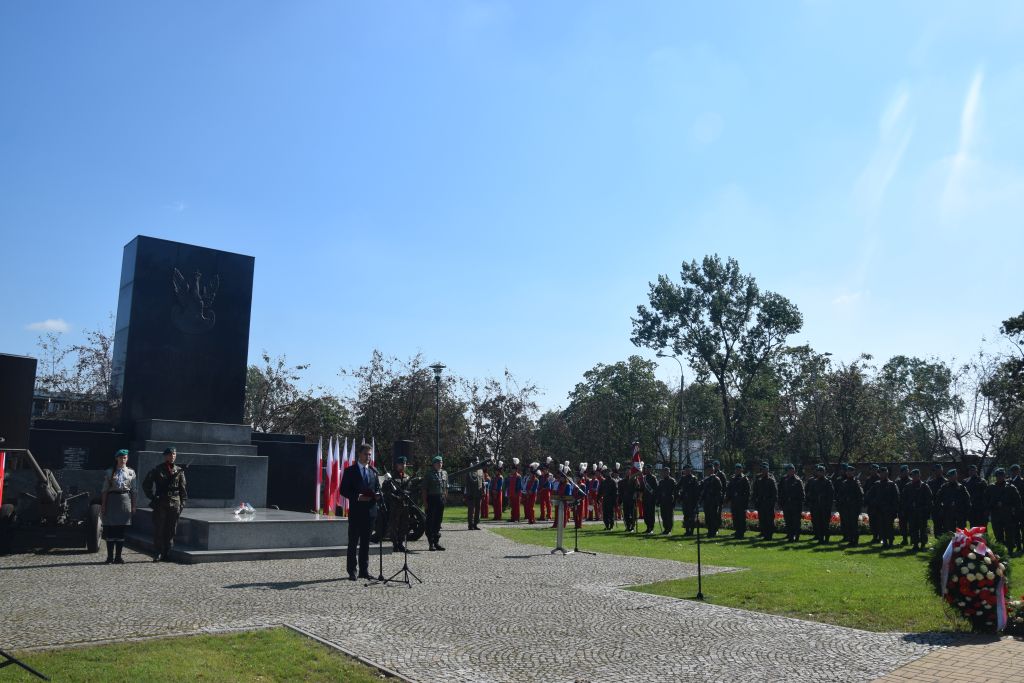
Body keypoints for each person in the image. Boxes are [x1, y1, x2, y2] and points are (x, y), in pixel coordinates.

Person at [340, 443, 381, 580]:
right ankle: (352, 571)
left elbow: (377, 489)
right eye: (366, 454)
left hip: (370, 512)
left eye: (370, 454)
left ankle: (364, 570)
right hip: (356, 512)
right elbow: (343, 490)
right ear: (359, 454)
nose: (368, 457)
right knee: (353, 542)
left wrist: (377, 495)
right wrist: (357, 497)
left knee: (365, 543)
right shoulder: (350, 471)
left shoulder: (374, 471)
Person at [143, 446, 187, 562]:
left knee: (171, 529)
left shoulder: (179, 470)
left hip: (175, 502)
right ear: (165, 456)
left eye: (174, 454)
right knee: (159, 528)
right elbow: (146, 484)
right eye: (170, 454)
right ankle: (158, 552)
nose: (172, 456)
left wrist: (182, 504)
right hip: (161, 502)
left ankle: (167, 552)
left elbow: (183, 489)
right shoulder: (158, 469)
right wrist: (152, 497)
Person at [100, 449, 137, 564]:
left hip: (125, 501)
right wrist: (103, 505)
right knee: (111, 530)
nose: (123, 459)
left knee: (121, 530)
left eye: (125, 457)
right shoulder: (109, 472)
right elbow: (105, 490)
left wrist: (133, 506)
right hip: (112, 501)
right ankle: (109, 557)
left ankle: (118, 557)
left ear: (127, 459)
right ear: (116, 458)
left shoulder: (131, 472)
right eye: (121, 457)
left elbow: (134, 491)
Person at [987, 468, 1022, 554]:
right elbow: (986, 501)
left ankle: (1010, 551)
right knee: (998, 535)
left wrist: (1015, 514)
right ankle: (1001, 552)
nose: (1000, 477)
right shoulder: (991, 488)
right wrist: (992, 506)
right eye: (998, 476)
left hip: (1008, 515)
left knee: (1009, 534)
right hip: (996, 515)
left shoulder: (1010, 487)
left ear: (1004, 476)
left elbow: (1018, 502)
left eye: (1001, 476)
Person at [382, 455, 412, 552]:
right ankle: (395, 544)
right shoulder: (391, 477)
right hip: (394, 505)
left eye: (404, 464)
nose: (403, 465)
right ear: (397, 465)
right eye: (401, 464)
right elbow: (385, 490)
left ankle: (400, 543)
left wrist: (406, 494)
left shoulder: (407, 477)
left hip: (404, 504)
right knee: (394, 525)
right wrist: (395, 496)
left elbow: (410, 489)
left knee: (404, 525)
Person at [868, 467, 900, 548]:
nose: (883, 475)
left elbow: (896, 497)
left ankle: (891, 542)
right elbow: (870, 495)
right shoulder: (877, 484)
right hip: (879, 509)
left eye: (885, 473)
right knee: (881, 527)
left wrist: (894, 509)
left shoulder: (892, 484)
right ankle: (884, 542)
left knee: (889, 526)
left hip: (889, 510)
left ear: (887, 474)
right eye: (881, 473)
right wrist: (874, 502)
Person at [903, 469, 932, 551]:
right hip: (912, 511)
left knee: (923, 529)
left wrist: (927, 511)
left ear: (919, 476)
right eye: (913, 475)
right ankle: (915, 544)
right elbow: (904, 498)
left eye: (916, 475)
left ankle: (923, 544)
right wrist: (906, 508)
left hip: (922, 511)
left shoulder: (924, 486)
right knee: (913, 528)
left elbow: (929, 499)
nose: (914, 477)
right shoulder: (908, 486)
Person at [424, 454, 448, 551]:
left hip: (441, 499)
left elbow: (446, 487)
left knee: (438, 521)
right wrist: (425, 502)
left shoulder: (444, 473)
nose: (440, 464)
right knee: (431, 521)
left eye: (441, 462)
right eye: (438, 463)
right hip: (432, 499)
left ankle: (436, 542)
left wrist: (445, 497)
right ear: (434, 464)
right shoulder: (429, 474)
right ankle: (431, 543)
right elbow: (424, 489)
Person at [935, 469, 970, 535]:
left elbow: (967, 501)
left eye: (951, 476)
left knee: (961, 531)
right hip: (948, 513)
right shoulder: (944, 487)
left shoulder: (961, 487)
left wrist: (965, 512)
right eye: (949, 477)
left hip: (959, 513)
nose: (950, 478)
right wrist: (941, 509)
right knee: (949, 531)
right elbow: (938, 499)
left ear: (956, 476)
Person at [805, 465, 834, 543]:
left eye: (821, 471)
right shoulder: (814, 482)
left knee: (825, 523)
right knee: (818, 523)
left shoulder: (828, 482)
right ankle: (820, 538)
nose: (820, 473)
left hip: (825, 506)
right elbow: (811, 493)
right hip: (816, 506)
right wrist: (812, 500)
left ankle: (826, 539)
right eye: (819, 471)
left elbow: (831, 495)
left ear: (824, 472)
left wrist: (828, 505)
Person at [778, 464, 804, 542]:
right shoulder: (784, 479)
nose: (790, 472)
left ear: (794, 471)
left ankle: (796, 536)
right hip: (786, 504)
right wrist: (781, 502)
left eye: (792, 470)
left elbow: (802, 494)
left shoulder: (798, 480)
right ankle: (790, 536)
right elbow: (780, 491)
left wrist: (799, 504)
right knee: (788, 520)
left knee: (796, 521)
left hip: (795, 504)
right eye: (789, 470)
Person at [751, 462, 777, 541]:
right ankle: (765, 534)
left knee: (769, 520)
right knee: (762, 519)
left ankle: (769, 535)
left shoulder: (771, 479)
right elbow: (755, 490)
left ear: (768, 470)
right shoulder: (759, 479)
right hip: (761, 502)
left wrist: (772, 503)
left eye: (765, 469)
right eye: (762, 469)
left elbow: (774, 493)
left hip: (768, 502)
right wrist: (755, 500)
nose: (764, 471)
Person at [725, 463, 750, 539]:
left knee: (741, 518)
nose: (737, 470)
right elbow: (729, 489)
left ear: (741, 470)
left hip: (741, 502)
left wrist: (745, 502)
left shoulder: (744, 479)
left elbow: (747, 492)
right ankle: (737, 531)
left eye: (739, 469)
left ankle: (741, 533)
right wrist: (727, 499)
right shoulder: (732, 478)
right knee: (735, 518)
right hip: (734, 501)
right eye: (736, 469)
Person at [700, 466, 725, 538]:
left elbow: (719, 491)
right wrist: (701, 500)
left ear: (713, 471)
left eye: (710, 470)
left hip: (713, 501)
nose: (709, 471)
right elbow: (704, 490)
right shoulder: (706, 480)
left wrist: (718, 501)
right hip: (707, 501)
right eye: (708, 470)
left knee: (713, 517)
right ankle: (709, 530)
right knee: (707, 517)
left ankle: (713, 531)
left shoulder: (716, 479)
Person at [676, 464, 700, 536]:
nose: (686, 471)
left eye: (688, 470)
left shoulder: (694, 478)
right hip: (685, 500)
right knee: (686, 516)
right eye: (685, 470)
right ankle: (687, 531)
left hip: (692, 501)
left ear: (690, 470)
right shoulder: (683, 478)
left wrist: (697, 500)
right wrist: (679, 495)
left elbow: (697, 490)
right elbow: (677, 487)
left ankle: (691, 531)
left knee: (692, 517)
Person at [963, 464, 988, 530]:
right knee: (973, 527)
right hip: (971, 508)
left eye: (973, 470)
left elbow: (986, 495)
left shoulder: (982, 481)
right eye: (970, 470)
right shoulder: (965, 481)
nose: (971, 472)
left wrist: (985, 508)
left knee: (982, 527)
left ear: (976, 471)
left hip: (980, 508)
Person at [926, 464, 946, 539]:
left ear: (941, 470)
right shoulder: (931, 482)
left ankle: (945, 542)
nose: (936, 472)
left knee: (945, 526)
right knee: (937, 526)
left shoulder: (946, 482)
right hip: (935, 507)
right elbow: (929, 496)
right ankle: (938, 542)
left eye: (938, 470)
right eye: (935, 470)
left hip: (945, 508)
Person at [862, 464, 881, 543]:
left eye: (875, 469)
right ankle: (874, 536)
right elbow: (865, 490)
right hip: (871, 504)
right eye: (872, 469)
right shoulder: (868, 479)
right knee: (872, 521)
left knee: (879, 521)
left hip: (879, 504)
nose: (874, 471)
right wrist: (865, 501)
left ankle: (880, 537)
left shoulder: (880, 478)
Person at [656, 466, 677, 534]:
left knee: (669, 516)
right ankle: (665, 529)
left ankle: (669, 529)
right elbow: (659, 492)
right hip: (663, 501)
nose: (665, 473)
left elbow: (675, 492)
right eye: (664, 472)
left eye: (667, 472)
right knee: (663, 515)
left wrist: (674, 501)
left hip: (669, 501)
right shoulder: (661, 481)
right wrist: (658, 501)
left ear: (669, 472)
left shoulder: (672, 481)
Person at [894, 464, 911, 545]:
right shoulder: (898, 482)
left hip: (910, 506)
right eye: (904, 471)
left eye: (907, 471)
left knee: (912, 524)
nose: (906, 472)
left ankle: (913, 540)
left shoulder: (911, 481)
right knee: (902, 524)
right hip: (901, 506)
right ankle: (904, 539)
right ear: (901, 472)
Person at [619, 465, 640, 532]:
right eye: (626, 471)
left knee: (633, 514)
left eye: (629, 471)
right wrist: (620, 500)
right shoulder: (622, 481)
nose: (628, 472)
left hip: (632, 500)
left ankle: (632, 527)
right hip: (625, 500)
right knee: (626, 514)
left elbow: (638, 489)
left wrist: (636, 493)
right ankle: (628, 526)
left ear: (631, 472)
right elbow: (621, 492)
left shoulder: (634, 480)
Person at [465, 462, 485, 530]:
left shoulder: (480, 471)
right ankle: (470, 525)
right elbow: (467, 484)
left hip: (479, 493)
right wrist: (468, 493)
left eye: (478, 462)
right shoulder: (469, 471)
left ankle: (475, 524)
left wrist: (484, 491)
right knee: (471, 510)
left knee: (478, 510)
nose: (477, 463)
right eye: (476, 462)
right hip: (471, 493)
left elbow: (483, 482)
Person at [598, 465, 617, 530]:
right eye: (606, 472)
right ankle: (606, 525)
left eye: (608, 472)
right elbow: (600, 491)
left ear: (610, 473)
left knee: (610, 513)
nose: (607, 474)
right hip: (605, 499)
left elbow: (615, 492)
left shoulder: (613, 481)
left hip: (611, 499)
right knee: (605, 513)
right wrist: (598, 498)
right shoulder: (603, 482)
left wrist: (615, 501)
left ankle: (611, 526)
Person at [641, 465, 658, 534]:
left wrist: (655, 498)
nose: (647, 470)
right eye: (646, 469)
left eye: (648, 469)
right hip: (645, 498)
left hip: (651, 499)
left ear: (651, 470)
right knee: (645, 514)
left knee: (651, 514)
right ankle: (648, 527)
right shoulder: (644, 478)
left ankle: (651, 528)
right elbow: (642, 488)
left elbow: (656, 488)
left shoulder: (653, 478)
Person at [507, 458, 522, 523]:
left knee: (517, 506)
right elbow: (509, 485)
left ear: (516, 470)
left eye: (513, 469)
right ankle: (512, 518)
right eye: (512, 469)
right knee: (512, 506)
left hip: (516, 493)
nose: (512, 470)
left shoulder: (518, 476)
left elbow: (519, 486)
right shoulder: (511, 476)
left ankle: (517, 518)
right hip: (512, 493)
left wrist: (516, 492)